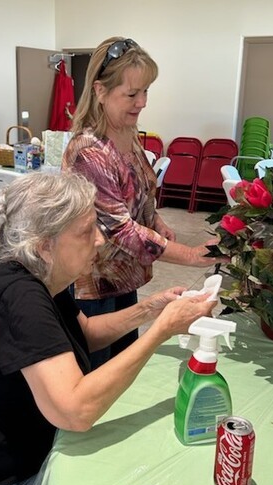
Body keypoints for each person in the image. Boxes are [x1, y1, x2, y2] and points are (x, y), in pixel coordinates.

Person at [0, 172, 217, 485]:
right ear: (45, 245)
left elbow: (87, 332)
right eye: (85, 231)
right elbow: (75, 412)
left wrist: (150, 309)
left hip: (22, 460)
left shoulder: (41, 274)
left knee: (145, 459)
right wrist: (161, 331)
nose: (99, 239)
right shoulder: (18, 297)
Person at [62, 37, 227, 367]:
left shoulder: (127, 132)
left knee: (125, 362)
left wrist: (156, 221)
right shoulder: (90, 152)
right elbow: (120, 230)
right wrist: (191, 255)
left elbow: (141, 192)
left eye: (146, 91)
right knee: (99, 371)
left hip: (124, 274)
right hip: (94, 282)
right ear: (100, 91)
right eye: (132, 94)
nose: (142, 102)